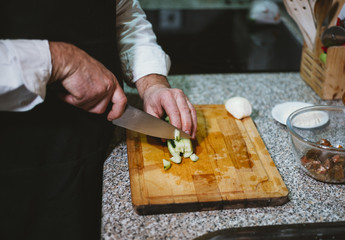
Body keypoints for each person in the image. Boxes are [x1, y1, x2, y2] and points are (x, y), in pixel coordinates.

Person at [0, 0, 197, 239]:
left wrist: (152, 81)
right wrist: (59, 60)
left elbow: (123, 12)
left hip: (97, 143)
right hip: (18, 165)